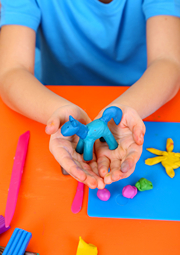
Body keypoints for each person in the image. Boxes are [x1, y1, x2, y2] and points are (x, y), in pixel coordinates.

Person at [0, 0, 180, 190]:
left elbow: (169, 63)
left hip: (142, 93)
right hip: (52, 94)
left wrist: (125, 109)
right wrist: (57, 112)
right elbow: (10, 71)